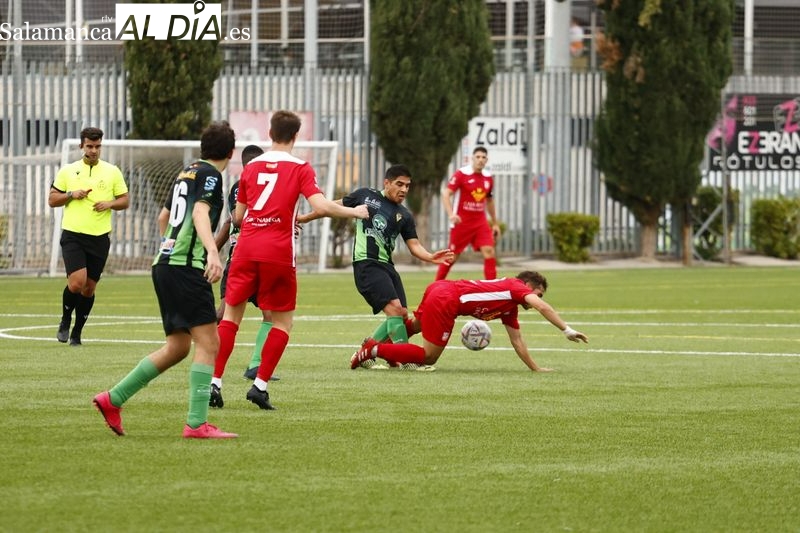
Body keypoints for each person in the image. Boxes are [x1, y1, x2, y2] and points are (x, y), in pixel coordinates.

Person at [213, 110, 369, 411]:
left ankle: (214, 383)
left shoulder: (250, 167)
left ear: (270, 133)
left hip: (245, 248)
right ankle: (259, 386)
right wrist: (355, 211)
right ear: (296, 136)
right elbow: (321, 205)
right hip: (277, 251)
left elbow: (239, 216)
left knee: (231, 317)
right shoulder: (300, 167)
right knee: (282, 322)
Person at [92, 121, 237, 439]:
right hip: (185, 268)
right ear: (231, 151)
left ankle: (112, 399)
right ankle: (197, 424)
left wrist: (174, 252)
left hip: (165, 264)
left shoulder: (186, 172)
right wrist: (213, 253)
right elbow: (200, 213)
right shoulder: (212, 175)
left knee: (178, 346)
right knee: (210, 343)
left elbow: (163, 217)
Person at [298, 164, 454, 369]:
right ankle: (404, 359)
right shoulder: (365, 195)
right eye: (400, 184)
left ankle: (367, 350)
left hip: (387, 267)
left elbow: (414, 245)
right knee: (396, 311)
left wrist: (430, 257)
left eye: (408, 186)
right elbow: (329, 207)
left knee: (402, 314)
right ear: (387, 183)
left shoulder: (404, 215)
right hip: (366, 264)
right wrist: (304, 218)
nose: (404, 190)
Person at [350, 271, 588, 371]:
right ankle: (374, 351)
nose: (537, 299)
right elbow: (542, 306)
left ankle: (372, 345)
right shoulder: (515, 288)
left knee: (414, 326)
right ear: (528, 287)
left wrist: (536, 369)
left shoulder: (510, 308)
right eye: (538, 293)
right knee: (429, 356)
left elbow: (517, 341)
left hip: (441, 289)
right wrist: (566, 329)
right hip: (448, 298)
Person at [48, 127, 130, 346]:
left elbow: (125, 200)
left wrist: (109, 204)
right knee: (76, 283)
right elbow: (52, 199)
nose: (94, 151)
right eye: (89, 146)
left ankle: (77, 332)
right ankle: (65, 320)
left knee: (89, 288)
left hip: (100, 238)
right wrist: (70, 195)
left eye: (97, 146)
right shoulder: (68, 171)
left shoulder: (112, 171)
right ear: (81, 146)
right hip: (73, 235)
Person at [210, 145, 279, 397]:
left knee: (269, 314)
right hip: (241, 258)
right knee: (223, 314)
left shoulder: (247, 185)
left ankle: (255, 366)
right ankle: (206, 354)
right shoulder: (242, 185)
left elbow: (231, 221)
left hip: (257, 257)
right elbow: (237, 220)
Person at [435, 146, 500, 282]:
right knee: (452, 257)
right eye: (478, 157)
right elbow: (446, 194)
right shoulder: (461, 174)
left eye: (483, 157)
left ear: (486, 160)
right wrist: (451, 214)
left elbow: (489, 201)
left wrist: (495, 223)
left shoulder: (488, 178)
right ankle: (435, 287)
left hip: (480, 222)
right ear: (472, 158)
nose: (480, 160)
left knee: (489, 251)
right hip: (461, 223)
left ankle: (493, 291)